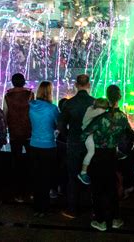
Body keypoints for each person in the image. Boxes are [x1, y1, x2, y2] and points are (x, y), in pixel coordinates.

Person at [85, 85, 133, 232]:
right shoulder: (122, 117)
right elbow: (131, 136)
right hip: (112, 155)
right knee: (112, 187)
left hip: (98, 155)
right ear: (119, 97)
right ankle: (116, 219)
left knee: (98, 188)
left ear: (107, 96)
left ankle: (100, 221)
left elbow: (84, 134)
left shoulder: (101, 117)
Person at [58, 74, 94, 218]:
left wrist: (69, 137)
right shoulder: (95, 103)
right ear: (89, 85)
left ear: (76, 85)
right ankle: (91, 209)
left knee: (73, 177)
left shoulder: (69, 103)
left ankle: (72, 209)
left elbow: (61, 126)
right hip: (90, 145)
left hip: (73, 143)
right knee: (89, 175)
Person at [29, 81, 59, 216]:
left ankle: (36, 207)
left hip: (34, 145)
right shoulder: (52, 108)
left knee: (36, 177)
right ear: (49, 92)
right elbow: (58, 124)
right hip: (48, 146)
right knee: (46, 177)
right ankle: (44, 208)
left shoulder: (31, 106)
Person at [3, 73, 34, 203]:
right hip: (28, 132)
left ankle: (18, 193)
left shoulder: (8, 95)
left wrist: (5, 129)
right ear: (24, 82)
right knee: (31, 161)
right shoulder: (30, 94)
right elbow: (33, 111)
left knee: (16, 162)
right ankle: (31, 191)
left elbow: (5, 113)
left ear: (12, 82)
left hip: (14, 132)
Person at [77, 98, 109, 185]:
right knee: (91, 151)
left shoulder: (91, 108)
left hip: (89, 131)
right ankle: (83, 172)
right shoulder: (98, 111)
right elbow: (106, 113)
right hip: (87, 133)